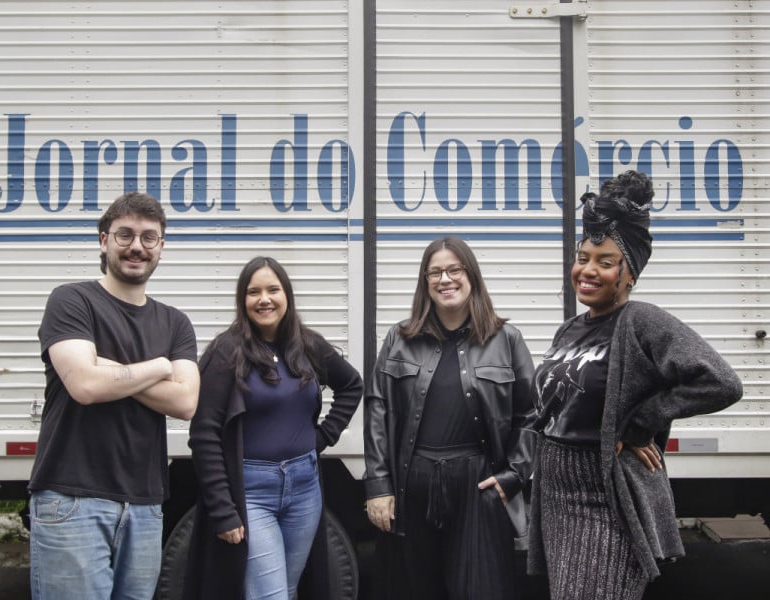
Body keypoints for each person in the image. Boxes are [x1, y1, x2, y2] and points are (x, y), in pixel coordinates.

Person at [527, 170, 744, 599]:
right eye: (582, 257)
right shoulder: (570, 329)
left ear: (630, 274)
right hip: (556, 498)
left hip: (604, 500)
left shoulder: (641, 321)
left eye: (605, 262)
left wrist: (644, 420)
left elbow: (722, 382)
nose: (587, 270)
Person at [28, 192, 200, 600]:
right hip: (72, 500)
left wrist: (107, 370)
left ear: (161, 247)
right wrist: (159, 367)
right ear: (103, 240)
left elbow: (186, 403)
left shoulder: (175, 323)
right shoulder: (72, 300)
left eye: (148, 237)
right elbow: (86, 387)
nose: (136, 246)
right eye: (125, 235)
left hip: (145, 505)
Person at [364, 236, 536, 600]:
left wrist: (514, 476)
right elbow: (377, 409)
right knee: (414, 589)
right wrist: (379, 486)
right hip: (412, 485)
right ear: (425, 282)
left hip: (479, 487)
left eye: (454, 269)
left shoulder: (506, 339)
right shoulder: (399, 338)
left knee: (481, 590)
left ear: (471, 275)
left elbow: (530, 416)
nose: (445, 279)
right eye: (435, 272)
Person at [182, 256, 363, 600]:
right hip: (251, 492)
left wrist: (321, 437)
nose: (264, 299)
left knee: (289, 589)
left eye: (272, 290)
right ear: (243, 300)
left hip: (304, 488)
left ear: (287, 295)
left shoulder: (307, 346)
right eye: (254, 292)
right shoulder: (227, 352)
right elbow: (204, 436)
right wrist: (223, 510)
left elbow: (351, 385)